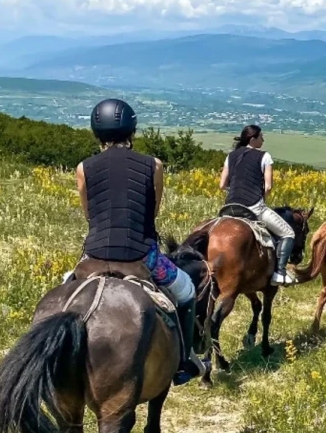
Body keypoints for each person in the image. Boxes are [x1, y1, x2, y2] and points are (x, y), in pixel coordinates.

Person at [76, 99, 203, 384]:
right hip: (141, 256)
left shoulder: (83, 168)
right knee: (186, 290)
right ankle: (185, 360)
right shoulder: (153, 165)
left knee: (65, 290)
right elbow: (152, 211)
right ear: (132, 130)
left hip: (94, 256)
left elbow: (89, 214)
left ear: (97, 132)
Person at [219, 125, 296, 285]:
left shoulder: (231, 156)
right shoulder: (265, 156)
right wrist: (260, 197)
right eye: (261, 137)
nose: (263, 139)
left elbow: (222, 185)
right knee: (288, 233)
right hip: (253, 207)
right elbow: (268, 186)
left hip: (229, 207)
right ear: (253, 139)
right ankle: (279, 273)